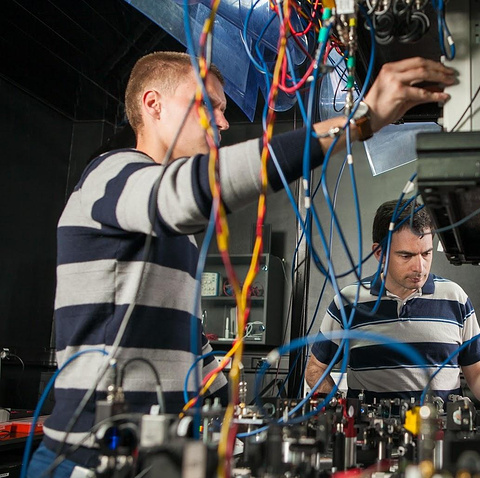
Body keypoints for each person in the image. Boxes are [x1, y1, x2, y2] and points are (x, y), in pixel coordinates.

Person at [28, 51, 456, 476]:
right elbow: (195, 188)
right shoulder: (111, 176)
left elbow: (189, 341)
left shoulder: (175, 228)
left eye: (224, 109)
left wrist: (245, 417)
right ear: (152, 104)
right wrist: (357, 122)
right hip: (88, 460)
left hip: (156, 458)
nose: (222, 121)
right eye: (207, 104)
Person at [306, 200, 480, 407]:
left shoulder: (455, 298)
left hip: (441, 439)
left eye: (426, 254)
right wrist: (337, 405)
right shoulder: (348, 303)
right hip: (372, 442)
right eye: (406, 256)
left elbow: (477, 372)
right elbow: (315, 368)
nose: (420, 267)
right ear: (379, 253)